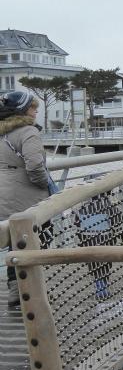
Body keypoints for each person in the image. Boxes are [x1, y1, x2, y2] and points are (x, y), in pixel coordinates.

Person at [0, 91, 50, 306]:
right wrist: (43, 185)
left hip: (4, 192)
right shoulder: (28, 131)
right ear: (22, 110)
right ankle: (28, 292)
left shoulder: (3, 132)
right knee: (37, 238)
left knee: (14, 240)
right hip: (25, 194)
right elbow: (35, 165)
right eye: (33, 107)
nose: (36, 111)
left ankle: (15, 289)